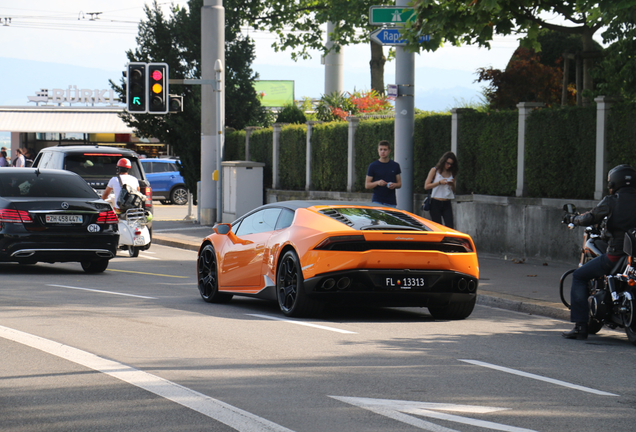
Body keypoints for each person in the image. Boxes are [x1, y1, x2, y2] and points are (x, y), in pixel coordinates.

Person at [562, 164, 636, 340]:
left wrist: (573, 218)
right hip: (633, 256)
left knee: (579, 276)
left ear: (614, 183)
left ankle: (580, 327)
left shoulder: (612, 201)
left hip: (616, 254)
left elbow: (590, 217)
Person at [424, 151, 458, 229]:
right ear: (443, 161)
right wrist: (439, 182)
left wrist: (452, 184)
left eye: (451, 164)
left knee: (450, 226)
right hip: (435, 202)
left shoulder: (452, 172)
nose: (449, 166)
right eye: (447, 163)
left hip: (447, 202)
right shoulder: (434, 170)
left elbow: (453, 191)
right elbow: (426, 186)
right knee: (437, 227)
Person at [365, 140, 402, 208]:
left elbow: (399, 184)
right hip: (377, 201)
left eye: (385, 150)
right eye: (381, 149)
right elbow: (367, 185)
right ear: (378, 150)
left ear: (389, 151)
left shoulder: (395, 165)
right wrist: (377, 183)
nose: (383, 152)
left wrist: (394, 185)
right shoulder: (373, 166)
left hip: (391, 202)